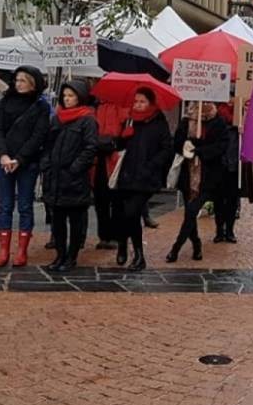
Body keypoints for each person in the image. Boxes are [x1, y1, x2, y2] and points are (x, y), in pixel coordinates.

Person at [0, 66, 50, 267]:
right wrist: (3, 155)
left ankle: (22, 250)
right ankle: (4, 250)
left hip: (26, 162)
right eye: (17, 80)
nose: (19, 84)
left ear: (33, 83)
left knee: (25, 205)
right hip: (4, 161)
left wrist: (20, 159)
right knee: (5, 205)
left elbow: (38, 135)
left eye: (23, 80)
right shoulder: (5, 101)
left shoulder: (40, 106)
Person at [40, 81, 98, 273]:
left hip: (74, 179)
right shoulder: (57, 119)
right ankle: (59, 255)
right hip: (55, 178)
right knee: (57, 221)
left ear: (79, 97)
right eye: (65, 96)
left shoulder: (88, 120)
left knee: (75, 221)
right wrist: (47, 165)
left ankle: (71, 257)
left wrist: (75, 168)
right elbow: (48, 144)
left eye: (71, 96)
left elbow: (90, 148)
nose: (67, 99)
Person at [114, 88, 173, 271]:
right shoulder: (129, 120)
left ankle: (139, 255)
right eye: (136, 101)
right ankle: (123, 244)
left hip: (146, 177)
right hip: (126, 175)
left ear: (150, 103)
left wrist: (152, 166)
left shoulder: (158, 122)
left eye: (142, 101)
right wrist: (122, 136)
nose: (138, 105)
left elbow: (167, 149)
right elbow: (119, 146)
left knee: (132, 212)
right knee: (122, 214)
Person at [166, 101, 228, 262]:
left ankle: (176, 247)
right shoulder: (187, 120)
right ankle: (196, 243)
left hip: (208, 176)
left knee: (192, 211)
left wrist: (200, 150)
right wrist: (186, 147)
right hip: (188, 175)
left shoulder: (218, 121)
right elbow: (177, 143)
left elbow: (221, 146)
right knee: (189, 213)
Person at [92, 99, 128, 250]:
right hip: (98, 159)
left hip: (115, 158)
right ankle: (104, 235)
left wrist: (115, 142)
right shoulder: (96, 108)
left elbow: (127, 136)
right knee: (100, 200)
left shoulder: (125, 109)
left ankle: (116, 235)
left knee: (117, 200)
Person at [215, 102, 240, 244]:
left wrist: (244, 130)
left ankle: (229, 230)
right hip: (219, 164)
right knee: (219, 199)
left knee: (232, 200)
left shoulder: (241, 114)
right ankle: (219, 230)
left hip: (235, 164)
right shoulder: (217, 115)